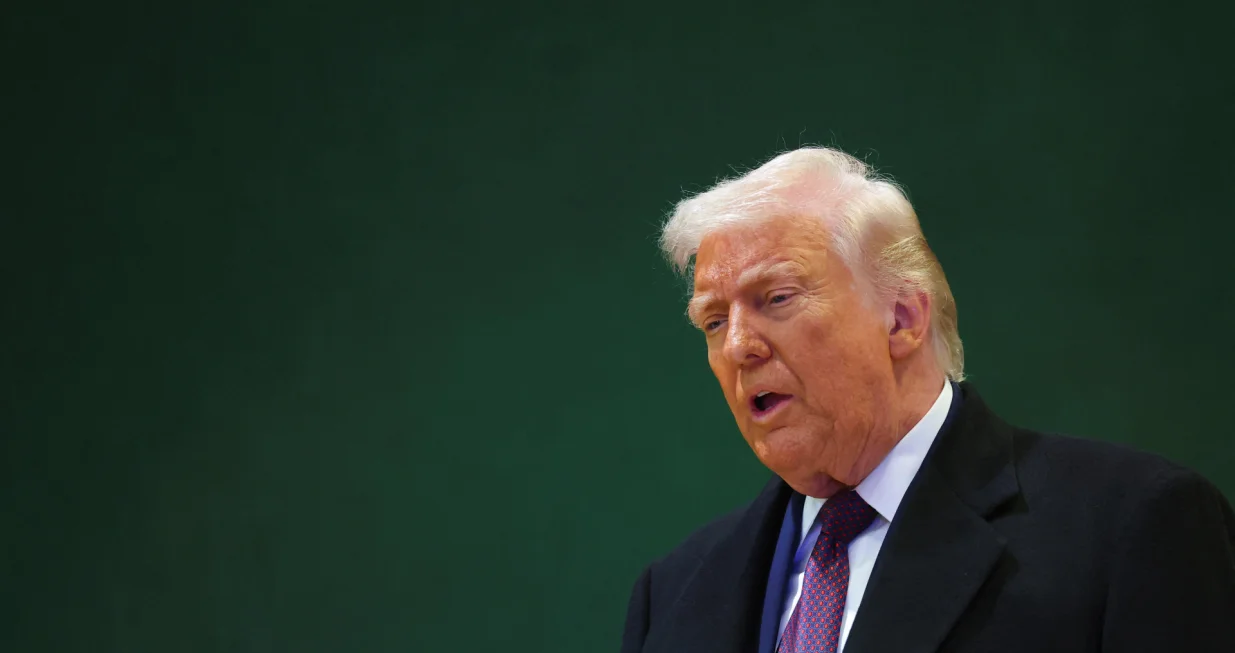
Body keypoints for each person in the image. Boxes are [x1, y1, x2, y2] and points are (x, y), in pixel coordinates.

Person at [620, 147, 1235, 653]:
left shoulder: (1133, 530)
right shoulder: (671, 597)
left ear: (901, 318)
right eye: (712, 321)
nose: (737, 347)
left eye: (776, 298)